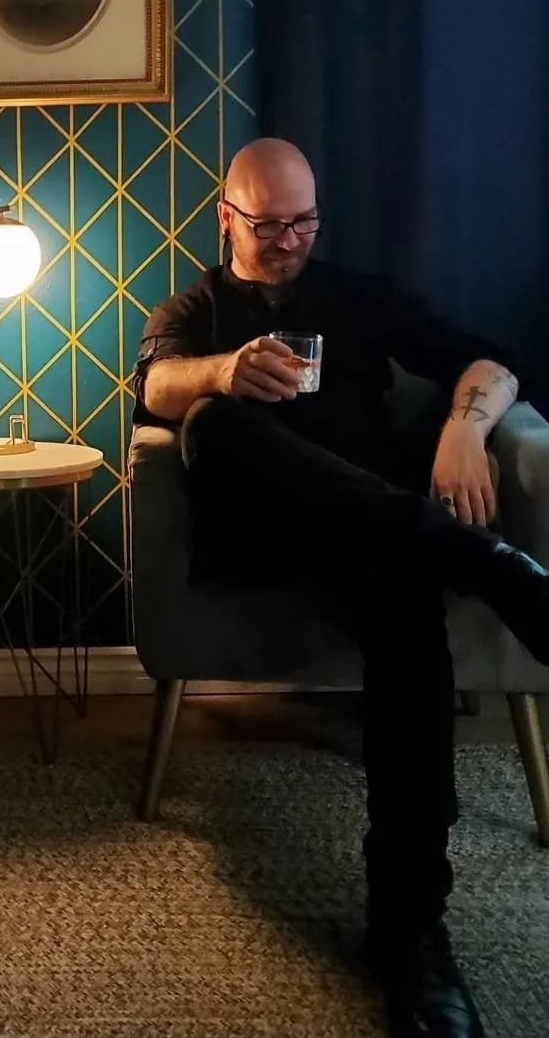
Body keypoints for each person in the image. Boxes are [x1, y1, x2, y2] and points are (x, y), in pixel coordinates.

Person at [133, 137, 549, 1038]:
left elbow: (490, 359)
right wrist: (222, 371)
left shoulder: (360, 296)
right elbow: (155, 383)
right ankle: (490, 567)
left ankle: (409, 932)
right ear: (226, 219)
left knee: (406, 608)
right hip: (260, 542)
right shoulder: (194, 309)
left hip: (374, 544)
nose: (288, 241)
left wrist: (465, 428)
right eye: (268, 225)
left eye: (304, 223)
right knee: (213, 423)